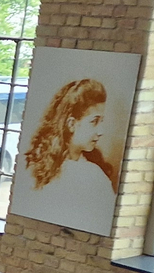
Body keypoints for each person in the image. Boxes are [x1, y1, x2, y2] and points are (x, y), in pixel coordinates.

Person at [20, 77, 118, 230]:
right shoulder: (35, 167)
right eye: (94, 121)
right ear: (71, 124)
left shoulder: (95, 176)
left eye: (102, 121)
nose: (101, 131)